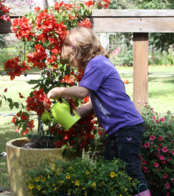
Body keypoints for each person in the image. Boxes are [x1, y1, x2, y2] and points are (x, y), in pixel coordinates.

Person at [47, 27, 151, 196]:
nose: (72, 64)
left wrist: (60, 90)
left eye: (71, 59)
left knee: (131, 169)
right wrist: (72, 116)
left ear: (78, 50)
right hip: (118, 130)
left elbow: (82, 92)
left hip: (127, 126)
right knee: (109, 168)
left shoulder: (97, 63)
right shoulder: (98, 63)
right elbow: (92, 104)